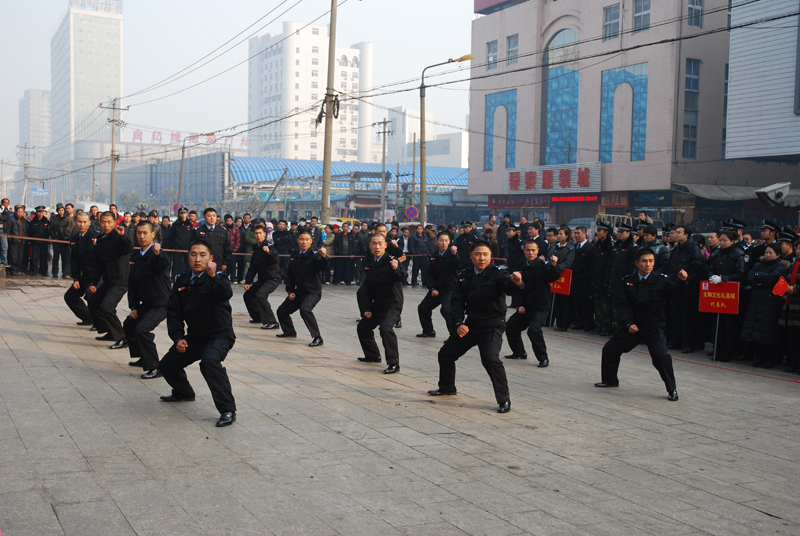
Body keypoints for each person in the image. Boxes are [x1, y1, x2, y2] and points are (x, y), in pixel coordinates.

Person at [427, 240, 524, 413]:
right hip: (471, 325)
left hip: (492, 325)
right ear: (471, 256)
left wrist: (517, 283)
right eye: (478, 254)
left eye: (485, 254)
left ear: (491, 256)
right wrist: (458, 323)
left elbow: (509, 287)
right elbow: (456, 301)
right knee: (446, 354)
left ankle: (504, 400)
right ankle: (447, 387)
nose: (482, 258)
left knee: (490, 359)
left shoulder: (498, 274)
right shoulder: (465, 275)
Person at [158, 240, 237, 427]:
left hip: (219, 336)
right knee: (167, 365)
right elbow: (174, 312)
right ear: (188, 257)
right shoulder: (182, 280)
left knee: (209, 362)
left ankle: (227, 409)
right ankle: (183, 392)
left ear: (210, 258)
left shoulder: (218, 278)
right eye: (193, 254)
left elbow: (225, 294)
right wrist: (178, 338)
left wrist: (213, 276)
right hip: (195, 337)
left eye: (202, 255)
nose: (197, 259)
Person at [595, 248, 679, 401]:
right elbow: (623, 305)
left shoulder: (661, 280)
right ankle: (610, 380)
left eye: (651, 261)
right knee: (610, 349)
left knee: (661, 356)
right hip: (633, 326)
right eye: (644, 261)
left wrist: (683, 282)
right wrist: (628, 323)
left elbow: (676, 293)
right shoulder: (628, 281)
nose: (648, 264)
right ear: (637, 263)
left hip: (653, 327)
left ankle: (672, 389)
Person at [122, 221, 172, 378]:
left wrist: (158, 254)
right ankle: (143, 357)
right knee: (129, 325)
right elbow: (132, 283)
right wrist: (134, 307)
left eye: (145, 233)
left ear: (153, 234)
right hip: (146, 304)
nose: (141, 236)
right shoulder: (136, 256)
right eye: (139, 233)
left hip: (161, 304)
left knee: (142, 330)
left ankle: (155, 366)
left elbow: (163, 265)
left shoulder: (157, 254)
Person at [356, 233, 407, 374]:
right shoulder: (370, 263)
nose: (377, 247)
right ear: (370, 246)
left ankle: (393, 363)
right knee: (363, 327)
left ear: (385, 245)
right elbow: (365, 289)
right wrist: (366, 308)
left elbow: (403, 277)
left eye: (380, 244)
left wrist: (396, 268)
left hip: (392, 305)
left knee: (386, 329)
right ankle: (372, 355)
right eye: (374, 244)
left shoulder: (392, 260)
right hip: (377, 304)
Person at [505, 240, 560, 365]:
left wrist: (554, 266)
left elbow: (552, 277)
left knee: (534, 330)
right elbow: (517, 288)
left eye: (533, 250)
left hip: (541, 306)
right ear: (524, 251)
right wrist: (520, 305)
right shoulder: (520, 266)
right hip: (526, 306)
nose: (530, 252)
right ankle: (519, 352)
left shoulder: (544, 265)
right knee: (511, 326)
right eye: (528, 250)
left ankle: (543, 358)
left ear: (537, 251)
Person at [276, 228, 329, 347]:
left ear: (311, 241)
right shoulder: (295, 255)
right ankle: (289, 332)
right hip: (299, 292)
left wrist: (324, 257)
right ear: (297, 240)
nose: (304, 242)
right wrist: (290, 291)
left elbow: (322, 266)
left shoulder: (315, 255)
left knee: (305, 309)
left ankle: (317, 337)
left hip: (312, 292)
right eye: (302, 239)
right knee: (282, 311)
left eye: (307, 239)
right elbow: (289, 275)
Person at [88, 212, 134, 348]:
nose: (106, 225)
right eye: (103, 222)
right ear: (99, 222)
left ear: (115, 222)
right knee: (94, 303)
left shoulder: (119, 237)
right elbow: (98, 264)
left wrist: (123, 236)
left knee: (107, 306)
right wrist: (93, 282)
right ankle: (110, 331)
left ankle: (123, 337)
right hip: (107, 281)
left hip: (120, 281)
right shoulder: (101, 239)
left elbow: (128, 248)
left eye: (109, 222)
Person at [741, 243, 789, 369]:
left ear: (778, 255)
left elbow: (773, 278)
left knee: (769, 332)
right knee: (756, 331)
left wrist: (758, 276)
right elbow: (750, 277)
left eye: (770, 253)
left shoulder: (781, 266)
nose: (767, 255)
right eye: (766, 252)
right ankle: (757, 357)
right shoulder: (758, 264)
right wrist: (762, 282)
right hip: (756, 302)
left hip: (771, 303)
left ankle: (769, 359)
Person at [706, 230, 746, 361]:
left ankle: (728, 353)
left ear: (733, 241)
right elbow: (709, 267)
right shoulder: (716, 253)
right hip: (717, 292)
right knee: (717, 324)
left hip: (730, 293)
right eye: (721, 240)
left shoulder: (738, 254)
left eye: (725, 241)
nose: (722, 243)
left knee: (729, 325)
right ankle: (717, 350)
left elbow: (740, 274)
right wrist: (712, 276)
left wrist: (724, 278)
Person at [666, 225, 706, 353]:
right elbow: (670, 267)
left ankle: (688, 343)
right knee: (675, 316)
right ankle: (676, 340)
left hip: (687, 288)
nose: (675, 234)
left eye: (679, 232)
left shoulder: (693, 250)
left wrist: (687, 280)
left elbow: (697, 269)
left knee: (687, 317)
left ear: (686, 235)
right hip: (674, 287)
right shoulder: (676, 249)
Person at [417, 232, 460, 338]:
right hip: (436, 289)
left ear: (449, 242)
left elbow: (457, 265)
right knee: (423, 308)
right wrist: (432, 288)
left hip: (449, 289)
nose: (443, 243)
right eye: (441, 240)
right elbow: (429, 273)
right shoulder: (434, 255)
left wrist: (454, 255)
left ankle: (454, 336)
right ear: (437, 241)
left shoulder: (452, 254)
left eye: (446, 240)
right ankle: (428, 331)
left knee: (446, 310)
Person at [243, 226, 281, 330]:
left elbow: (276, 259)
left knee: (260, 295)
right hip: (262, 279)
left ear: (264, 234)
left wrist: (269, 252)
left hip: (273, 278)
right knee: (248, 295)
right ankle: (257, 317)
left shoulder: (269, 245)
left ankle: (272, 321)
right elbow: (253, 267)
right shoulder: (256, 247)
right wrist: (248, 282)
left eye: (260, 233)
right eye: (256, 233)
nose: (258, 235)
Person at [64, 212, 97, 326]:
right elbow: (74, 261)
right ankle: (87, 318)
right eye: (79, 222)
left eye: (84, 222)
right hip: (85, 275)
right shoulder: (75, 239)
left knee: (91, 294)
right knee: (70, 296)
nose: (82, 224)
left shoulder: (95, 237)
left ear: (89, 223)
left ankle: (98, 322)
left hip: (96, 276)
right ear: (75, 222)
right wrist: (76, 279)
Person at [191, 207, 232, 274]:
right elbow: (193, 249)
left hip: (218, 264)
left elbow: (227, 248)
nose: (212, 218)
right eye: (209, 216)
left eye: (214, 216)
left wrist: (224, 263)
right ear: (204, 217)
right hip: (202, 265)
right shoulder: (198, 231)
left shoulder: (222, 231)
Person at [591, 220, 614, 335]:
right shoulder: (597, 246)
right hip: (596, 279)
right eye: (598, 230)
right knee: (597, 305)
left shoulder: (610, 246)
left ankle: (607, 326)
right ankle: (599, 325)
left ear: (606, 232)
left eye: (600, 231)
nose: (598, 233)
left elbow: (610, 266)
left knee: (606, 306)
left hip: (605, 279)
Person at [570, 225, 595, 332]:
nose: (576, 235)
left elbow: (592, 265)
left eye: (578, 233)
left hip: (585, 280)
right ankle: (579, 322)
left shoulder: (591, 247)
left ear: (585, 234)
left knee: (586, 303)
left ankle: (588, 324)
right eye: (575, 233)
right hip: (574, 279)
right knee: (576, 302)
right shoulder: (574, 247)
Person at [551, 227, 576, 331]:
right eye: (558, 234)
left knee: (564, 302)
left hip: (564, 276)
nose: (559, 236)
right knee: (556, 300)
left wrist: (557, 267)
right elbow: (549, 256)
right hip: (554, 275)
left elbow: (568, 262)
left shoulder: (570, 248)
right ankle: (558, 322)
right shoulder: (554, 246)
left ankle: (564, 324)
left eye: (561, 234)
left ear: (567, 235)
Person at [50, 203, 74, 278]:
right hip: (57, 240)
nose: (61, 212)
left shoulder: (66, 218)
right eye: (59, 210)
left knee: (65, 257)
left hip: (65, 240)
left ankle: (65, 272)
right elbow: (50, 230)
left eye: (62, 210)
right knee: (56, 257)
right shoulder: (54, 219)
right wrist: (55, 236)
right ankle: (55, 272)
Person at [170, 207, 194, 278]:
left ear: (187, 214)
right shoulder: (175, 224)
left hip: (187, 247)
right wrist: (175, 244)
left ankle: (189, 277)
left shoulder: (189, 224)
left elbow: (192, 235)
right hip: (178, 247)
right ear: (179, 214)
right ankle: (173, 278)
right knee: (176, 264)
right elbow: (172, 235)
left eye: (184, 213)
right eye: (181, 213)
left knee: (188, 264)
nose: (183, 215)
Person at [28, 206, 51, 276]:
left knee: (44, 257)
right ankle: (34, 271)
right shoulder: (33, 222)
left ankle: (44, 271)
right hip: (35, 242)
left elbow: (49, 231)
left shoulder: (46, 221)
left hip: (44, 242)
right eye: (39, 212)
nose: (40, 214)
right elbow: (30, 232)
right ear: (36, 212)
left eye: (42, 212)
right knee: (35, 257)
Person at [6, 206, 28, 276]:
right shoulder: (11, 219)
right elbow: (8, 230)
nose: (20, 213)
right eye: (18, 212)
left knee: (20, 257)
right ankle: (13, 270)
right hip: (14, 240)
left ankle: (18, 269)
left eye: (21, 212)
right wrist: (10, 238)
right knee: (13, 256)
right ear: (16, 212)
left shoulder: (24, 220)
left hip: (22, 241)